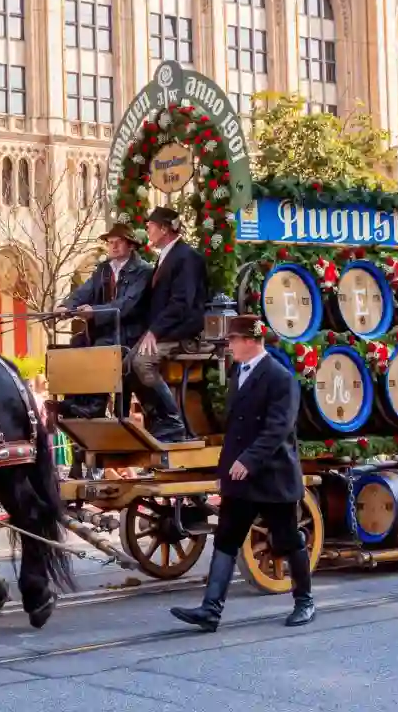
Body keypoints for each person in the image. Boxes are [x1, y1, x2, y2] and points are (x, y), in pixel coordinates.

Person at [169, 314, 314, 632]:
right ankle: (210, 610)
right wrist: (226, 472)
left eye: (232, 341)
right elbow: (235, 430)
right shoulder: (240, 373)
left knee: (287, 539)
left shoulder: (279, 377)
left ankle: (305, 602)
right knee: (226, 539)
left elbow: (278, 429)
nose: (229, 347)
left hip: (273, 476)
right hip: (240, 479)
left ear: (250, 340)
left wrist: (248, 461)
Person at [127, 207, 207, 443]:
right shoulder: (165, 256)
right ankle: (156, 417)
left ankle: (172, 421)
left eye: (151, 225)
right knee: (124, 364)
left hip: (182, 332)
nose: (147, 229)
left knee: (142, 361)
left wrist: (154, 331)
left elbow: (181, 304)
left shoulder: (187, 257)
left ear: (164, 229)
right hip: (164, 331)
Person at [55, 223, 152, 419]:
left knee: (102, 346)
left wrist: (94, 312)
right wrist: (67, 306)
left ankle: (96, 404)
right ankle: (73, 401)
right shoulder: (104, 269)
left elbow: (126, 304)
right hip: (105, 330)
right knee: (77, 343)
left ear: (131, 246)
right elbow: (85, 291)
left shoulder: (143, 271)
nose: (113, 246)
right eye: (110, 243)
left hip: (130, 332)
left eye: (119, 242)